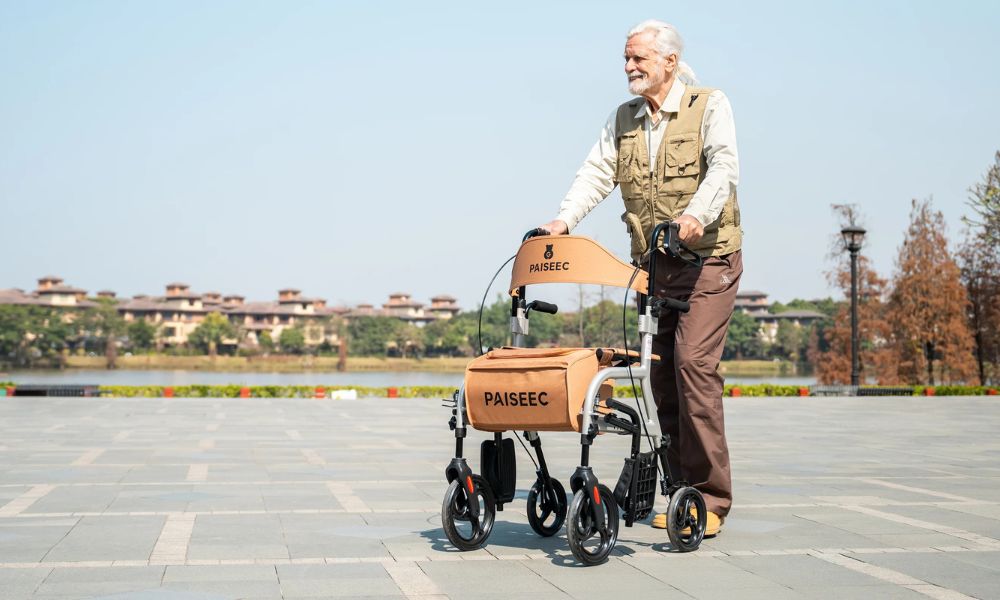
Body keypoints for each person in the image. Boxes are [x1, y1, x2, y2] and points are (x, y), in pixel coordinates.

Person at [539, 19, 742, 537]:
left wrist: (695, 216)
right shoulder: (623, 119)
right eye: (626, 59)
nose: (629, 68)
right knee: (661, 379)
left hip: (708, 260)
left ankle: (712, 498)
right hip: (653, 267)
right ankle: (680, 492)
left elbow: (723, 168)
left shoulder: (708, 105)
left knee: (693, 367)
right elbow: (596, 173)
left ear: (669, 61)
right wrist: (562, 222)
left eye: (639, 59)